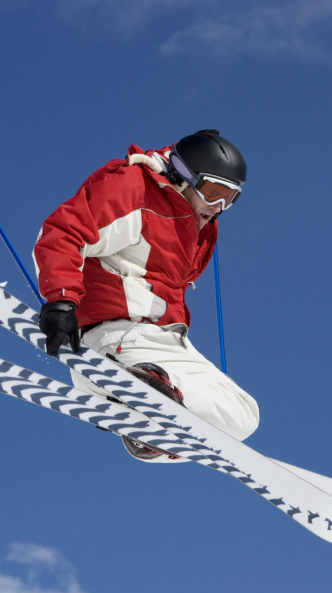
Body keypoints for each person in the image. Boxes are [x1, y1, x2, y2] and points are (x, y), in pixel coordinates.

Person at [33, 130, 259, 458]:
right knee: (226, 417)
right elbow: (64, 232)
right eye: (213, 192)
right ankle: (141, 388)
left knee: (243, 416)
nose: (219, 207)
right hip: (120, 339)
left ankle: (148, 414)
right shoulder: (136, 190)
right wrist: (61, 299)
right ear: (184, 175)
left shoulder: (192, 225)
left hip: (165, 343)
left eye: (231, 198)